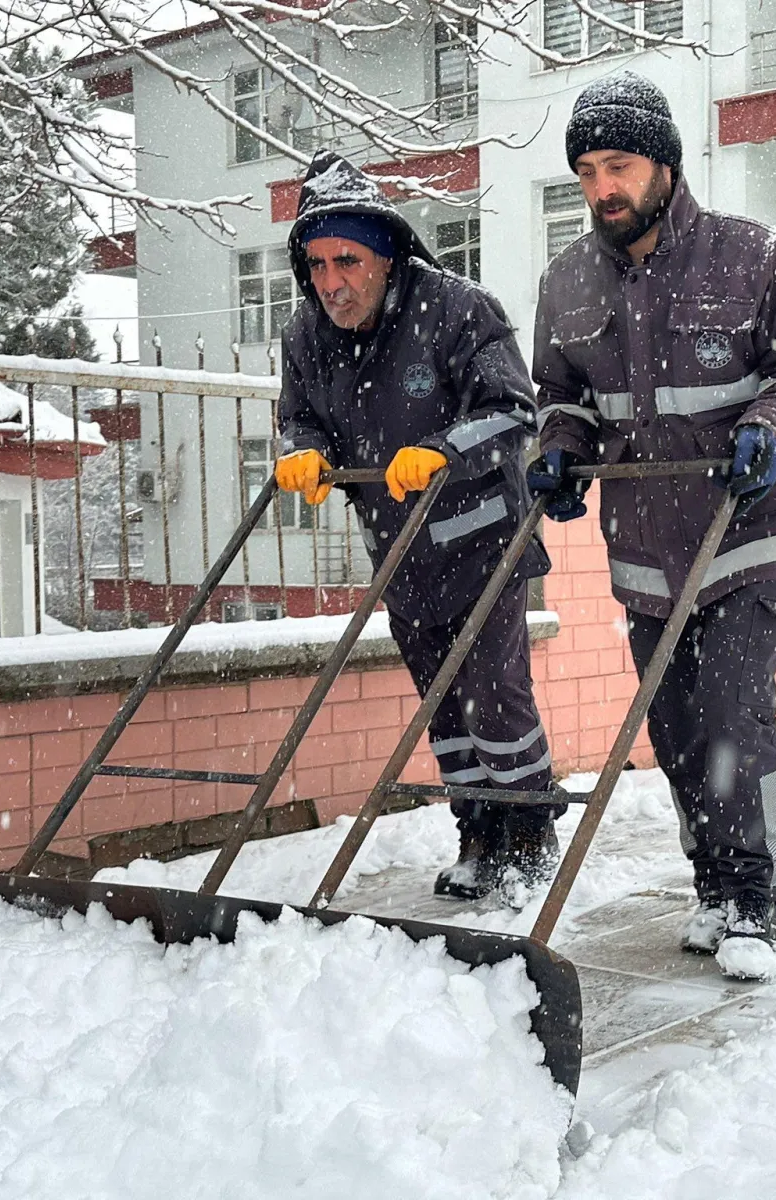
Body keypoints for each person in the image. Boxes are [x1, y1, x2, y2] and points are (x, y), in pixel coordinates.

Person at [528, 72, 776, 979]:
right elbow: (565, 396)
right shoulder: (569, 281)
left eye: (617, 165)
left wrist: (770, 426)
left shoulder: (753, 256)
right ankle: (711, 884)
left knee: (732, 714)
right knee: (673, 727)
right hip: (648, 546)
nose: (601, 189)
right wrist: (558, 450)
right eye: (586, 171)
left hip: (750, 527)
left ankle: (757, 897)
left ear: (664, 163)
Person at [275, 151, 564, 902]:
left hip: (481, 542)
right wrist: (302, 453)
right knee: (443, 703)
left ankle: (530, 834)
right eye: (317, 265)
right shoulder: (306, 335)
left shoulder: (458, 309)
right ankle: (478, 834)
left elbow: (512, 411)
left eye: (347, 261)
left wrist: (442, 452)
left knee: (495, 696)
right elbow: (300, 417)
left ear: (386, 253)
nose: (331, 282)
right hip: (399, 551)